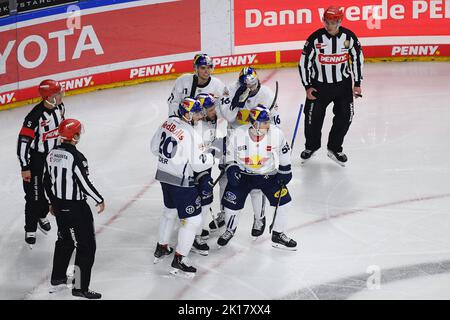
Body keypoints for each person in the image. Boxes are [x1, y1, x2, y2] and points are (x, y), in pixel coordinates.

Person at [151, 97, 215, 278]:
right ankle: (180, 259)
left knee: (169, 211)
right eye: (195, 113)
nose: (199, 116)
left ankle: (162, 246)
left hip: (164, 176)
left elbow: (154, 148)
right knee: (193, 221)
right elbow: (198, 165)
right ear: (186, 114)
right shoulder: (190, 133)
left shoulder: (168, 122)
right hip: (181, 182)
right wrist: (209, 155)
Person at [219, 105, 297, 250]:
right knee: (230, 205)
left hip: (267, 175)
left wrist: (285, 170)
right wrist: (232, 168)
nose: (269, 125)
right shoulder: (238, 133)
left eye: (268, 121)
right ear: (255, 123)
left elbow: (284, 152)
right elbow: (230, 153)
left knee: (285, 203)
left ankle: (278, 234)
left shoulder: (276, 133)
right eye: (265, 122)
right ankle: (230, 230)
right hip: (243, 175)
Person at [44, 118, 105, 299]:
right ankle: (79, 287)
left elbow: (46, 180)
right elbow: (84, 183)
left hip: (59, 205)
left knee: (64, 241)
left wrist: (50, 202)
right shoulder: (76, 157)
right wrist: (99, 199)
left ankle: (57, 278)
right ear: (75, 136)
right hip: (76, 208)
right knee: (86, 247)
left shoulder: (51, 153)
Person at [218, 67, 282, 238]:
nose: (252, 87)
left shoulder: (267, 95)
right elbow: (229, 117)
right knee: (225, 178)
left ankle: (259, 218)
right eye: (247, 84)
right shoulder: (230, 90)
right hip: (234, 141)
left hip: (256, 143)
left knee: (256, 184)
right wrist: (238, 101)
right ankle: (224, 213)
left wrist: (273, 145)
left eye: (254, 83)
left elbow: (274, 122)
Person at [298, 5, 364, 166]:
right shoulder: (314, 39)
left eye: (332, 22)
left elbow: (357, 59)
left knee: (346, 116)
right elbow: (303, 63)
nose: (328, 25)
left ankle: (334, 148)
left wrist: (357, 83)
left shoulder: (349, 37)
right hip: (319, 85)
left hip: (342, 86)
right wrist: (307, 86)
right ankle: (311, 147)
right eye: (326, 21)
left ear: (340, 21)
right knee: (313, 118)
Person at [17, 79, 65, 247]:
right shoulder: (34, 116)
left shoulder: (60, 108)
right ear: (47, 97)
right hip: (36, 161)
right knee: (33, 196)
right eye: (57, 93)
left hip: (53, 159)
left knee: (52, 191)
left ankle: (41, 214)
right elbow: (23, 142)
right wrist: (25, 166)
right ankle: (30, 228)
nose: (61, 95)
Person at [191, 93, 220, 256]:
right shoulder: (197, 128)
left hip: (205, 163)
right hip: (197, 166)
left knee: (206, 198)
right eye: (210, 109)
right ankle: (194, 236)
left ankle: (198, 229)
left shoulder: (209, 119)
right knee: (202, 198)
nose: (214, 111)